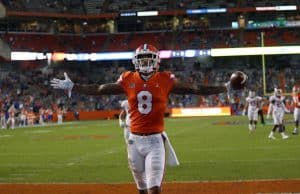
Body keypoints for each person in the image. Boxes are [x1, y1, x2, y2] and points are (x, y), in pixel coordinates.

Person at [50, 44, 246, 194]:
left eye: (148, 60)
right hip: (133, 140)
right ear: (136, 61)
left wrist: (224, 87)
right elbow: (101, 89)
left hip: (154, 141)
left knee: (154, 189)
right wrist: (74, 86)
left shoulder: (165, 79)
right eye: (141, 60)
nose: (145, 63)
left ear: (156, 61)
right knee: (142, 188)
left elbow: (196, 89)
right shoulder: (127, 78)